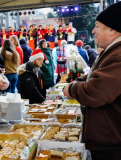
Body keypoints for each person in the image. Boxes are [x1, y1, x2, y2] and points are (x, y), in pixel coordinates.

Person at [63, 2, 121, 159]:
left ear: (112, 29)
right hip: (109, 139)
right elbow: (97, 76)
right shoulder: (113, 51)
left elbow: (96, 91)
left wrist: (72, 89)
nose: (93, 31)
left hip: (112, 142)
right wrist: (79, 81)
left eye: (97, 26)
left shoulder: (118, 54)